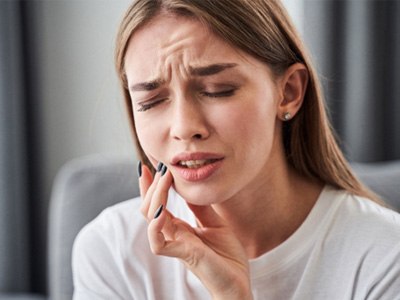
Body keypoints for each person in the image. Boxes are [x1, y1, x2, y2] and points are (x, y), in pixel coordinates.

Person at [72, 0, 400, 299]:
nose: (184, 127)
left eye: (218, 90)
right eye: (151, 101)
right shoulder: (112, 249)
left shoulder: (386, 257)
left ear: (288, 92)